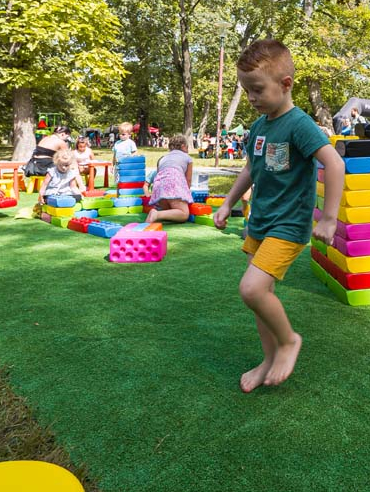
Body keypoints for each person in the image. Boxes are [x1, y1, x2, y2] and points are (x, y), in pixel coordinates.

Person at [213, 39, 344, 392]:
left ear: (286, 84)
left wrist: (329, 218)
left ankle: (288, 341)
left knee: (251, 289)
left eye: (257, 89)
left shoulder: (299, 124)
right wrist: (228, 202)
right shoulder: (259, 126)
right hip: (260, 222)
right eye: (246, 90)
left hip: (288, 224)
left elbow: (334, 163)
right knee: (261, 299)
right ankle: (267, 360)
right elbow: (250, 169)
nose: (251, 98)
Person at [147, 134, 195, 224]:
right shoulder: (187, 158)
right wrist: (185, 195)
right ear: (183, 146)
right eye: (187, 147)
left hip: (159, 187)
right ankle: (157, 214)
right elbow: (188, 180)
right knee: (184, 214)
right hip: (173, 184)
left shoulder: (163, 158)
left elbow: (159, 174)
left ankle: (160, 213)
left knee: (170, 211)